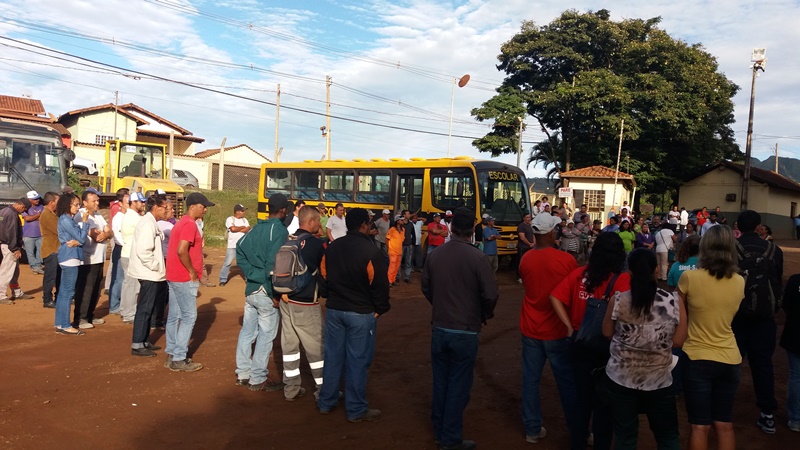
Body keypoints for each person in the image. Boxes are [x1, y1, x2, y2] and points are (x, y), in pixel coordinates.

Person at [422, 207, 498, 450]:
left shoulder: (436, 255)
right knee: (459, 384)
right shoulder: (478, 258)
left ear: (452, 228)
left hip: (441, 326)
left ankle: (440, 430)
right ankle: (450, 437)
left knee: (441, 381)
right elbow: (490, 294)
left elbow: (426, 288)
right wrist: (482, 313)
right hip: (465, 328)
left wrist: (441, 304)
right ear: (472, 230)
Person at [550, 232, 631, 450]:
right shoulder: (623, 280)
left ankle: (578, 442)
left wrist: (568, 326)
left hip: (579, 342)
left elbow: (555, 297)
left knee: (581, 400)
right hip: (609, 346)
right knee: (605, 402)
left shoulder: (580, 274)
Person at [602, 248, 687, 449]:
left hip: (621, 378)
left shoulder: (618, 300)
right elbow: (679, 341)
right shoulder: (674, 301)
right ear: (657, 270)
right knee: (667, 436)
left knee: (625, 436)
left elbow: (606, 332)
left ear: (629, 272)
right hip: (659, 380)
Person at [317, 208, 390, 422]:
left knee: (332, 356)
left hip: (335, 310)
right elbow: (379, 285)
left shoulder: (332, 248)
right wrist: (380, 308)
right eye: (368, 223)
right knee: (358, 361)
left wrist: (329, 296)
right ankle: (356, 409)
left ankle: (326, 402)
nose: (370, 226)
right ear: (363, 226)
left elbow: (323, 276)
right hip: (361, 312)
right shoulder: (371, 251)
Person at [678, 225, 744, 450]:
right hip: (730, 357)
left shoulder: (689, 277)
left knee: (699, 426)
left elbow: (678, 315)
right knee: (724, 424)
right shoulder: (739, 281)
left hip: (697, 356)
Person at [518, 213, 580, 447]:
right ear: (552, 233)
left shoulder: (526, 259)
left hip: (531, 328)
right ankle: (578, 429)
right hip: (558, 331)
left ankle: (532, 430)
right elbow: (572, 295)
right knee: (567, 382)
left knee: (530, 381)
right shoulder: (566, 261)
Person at [733, 210, 783, 434]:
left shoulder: (731, 249)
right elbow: (777, 282)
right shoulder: (774, 250)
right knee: (763, 365)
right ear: (759, 226)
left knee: (731, 362)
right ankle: (767, 415)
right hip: (764, 317)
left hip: (735, 316)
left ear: (738, 226)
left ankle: (722, 411)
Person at [234, 193, 288, 391]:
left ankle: (243, 373)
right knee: (266, 335)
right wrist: (273, 292)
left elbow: (239, 248)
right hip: (266, 290)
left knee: (248, 332)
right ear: (282, 211)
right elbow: (272, 263)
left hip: (252, 289)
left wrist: (250, 274)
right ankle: (257, 378)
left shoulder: (257, 227)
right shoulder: (279, 231)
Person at [278, 205, 326, 401]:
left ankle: (291, 389)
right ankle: (323, 390)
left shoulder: (289, 241)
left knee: (289, 348)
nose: (320, 224)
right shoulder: (315, 245)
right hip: (306, 303)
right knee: (316, 349)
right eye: (318, 220)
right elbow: (324, 272)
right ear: (312, 222)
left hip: (285, 300)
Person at [165, 192, 215, 372]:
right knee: (189, 317)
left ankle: (171, 353)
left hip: (173, 275)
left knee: (174, 316)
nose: (205, 210)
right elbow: (181, 250)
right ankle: (179, 357)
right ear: (193, 206)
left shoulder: (181, 223)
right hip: (184, 277)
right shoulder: (189, 224)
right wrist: (192, 270)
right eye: (203, 206)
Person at [128, 194, 170, 357]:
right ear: (156, 207)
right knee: (145, 308)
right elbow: (143, 251)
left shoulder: (151, 222)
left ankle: (144, 341)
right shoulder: (147, 224)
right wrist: (156, 266)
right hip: (148, 273)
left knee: (148, 307)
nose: (166, 210)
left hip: (151, 272)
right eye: (164, 207)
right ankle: (137, 344)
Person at [72, 190, 112, 329]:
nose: (97, 203)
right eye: (94, 201)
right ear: (85, 202)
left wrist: (106, 234)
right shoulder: (81, 215)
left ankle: (90, 314)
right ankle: (80, 317)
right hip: (87, 259)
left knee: (95, 289)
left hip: (99, 258)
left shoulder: (98, 215)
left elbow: (109, 231)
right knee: (85, 289)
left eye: (97, 200)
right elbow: (94, 234)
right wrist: (104, 233)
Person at [53, 193, 89, 334]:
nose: (78, 207)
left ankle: (61, 324)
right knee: (67, 292)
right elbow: (81, 238)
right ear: (68, 205)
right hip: (70, 257)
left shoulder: (67, 219)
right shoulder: (66, 220)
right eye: (76, 204)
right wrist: (85, 223)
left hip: (69, 256)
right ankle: (66, 325)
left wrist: (79, 240)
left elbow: (79, 239)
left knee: (64, 292)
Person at [0, 198, 35, 304]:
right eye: (24, 210)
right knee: (7, 271)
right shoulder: (12, 214)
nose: (23, 212)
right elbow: (11, 232)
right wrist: (15, 248)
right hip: (10, 246)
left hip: (6, 244)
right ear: (22, 206)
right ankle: (1, 295)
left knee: (15, 270)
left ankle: (16, 292)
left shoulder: (4, 211)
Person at [120, 192, 146, 324]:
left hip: (128, 253)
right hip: (131, 255)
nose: (143, 204)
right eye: (141, 202)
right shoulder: (134, 217)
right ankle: (129, 314)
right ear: (134, 202)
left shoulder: (132, 216)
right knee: (132, 286)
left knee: (128, 284)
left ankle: (125, 310)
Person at [780, 273, 800, 432]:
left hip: (795, 334)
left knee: (796, 376)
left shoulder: (795, 280)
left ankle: (796, 419)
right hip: (794, 335)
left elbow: (786, 305)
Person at [219, 204, 251, 286]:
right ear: (237, 211)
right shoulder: (230, 219)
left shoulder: (245, 220)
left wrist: (238, 228)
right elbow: (232, 229)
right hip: (232, 245)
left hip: (243, 245)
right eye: (242, 211)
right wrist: (242, 227)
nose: (244, 212)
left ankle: (248, 279)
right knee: (227, 262)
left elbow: (247, 229)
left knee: (245, 263)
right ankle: (223, 279)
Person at [108, 193, 129, 315]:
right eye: (127, 203)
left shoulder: (130, 216)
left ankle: (121, 303)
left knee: (125, 279)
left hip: (127, 249)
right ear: (120, 204)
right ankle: (114, 305)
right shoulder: (118, 217)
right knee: (118, 278)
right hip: (121, 249)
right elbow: (118, 236)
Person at [39, 192, 60, 309]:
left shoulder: (52, 214)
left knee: (56, 276)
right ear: (52, 202)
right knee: (50, 277)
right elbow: (59, 230)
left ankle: (55, 297)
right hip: (51, 250)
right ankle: (47, 299)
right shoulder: (47, 215)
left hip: (55, 249)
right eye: (58, 201)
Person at [21, 190, 44, 275]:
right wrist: (38, 215)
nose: (37, 200)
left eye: (37, 198)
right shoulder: (25, 208)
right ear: (29, 200)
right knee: (30, 252)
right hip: (28, 234)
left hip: (40, 234)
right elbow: (27, 218)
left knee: (40, 251)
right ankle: (34, 266)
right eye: (35, 199)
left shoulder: (42, 207)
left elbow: (43, 218)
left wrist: (33, 217)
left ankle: (38, 266)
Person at [386, 215, 405, 286]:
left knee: (396, 266)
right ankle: (389, 281)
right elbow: (387, 239)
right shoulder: (392, 229)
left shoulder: (403, 230)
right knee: (392, 266)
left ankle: (393, 280)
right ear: (397, 221)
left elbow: (402, 240)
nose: (403, 221)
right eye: (401, 220)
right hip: (393, 251)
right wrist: (389, 248)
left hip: (399, 251)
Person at [516, 213, 535, 282]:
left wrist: (533, 243)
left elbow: (533, 235)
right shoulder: (521, 226)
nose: (529, 219)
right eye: (527, 217)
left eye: (529, 217)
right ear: (523, 218)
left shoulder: (531, 226)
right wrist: (529, 244)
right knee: (521, 261)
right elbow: (522, 237)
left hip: (531, 247)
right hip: (523, 247)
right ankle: (520, 276)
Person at [400, 209, 416, 283]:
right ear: (404, 215)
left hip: (409, 245)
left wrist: (412, 243)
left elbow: (413, 234)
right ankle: (397, 277)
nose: (409, 215)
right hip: (401, 245)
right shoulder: (400, 224)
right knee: (399, 261)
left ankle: (407, 277)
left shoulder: (411, 224)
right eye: (408, 214)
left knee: (408, 262)